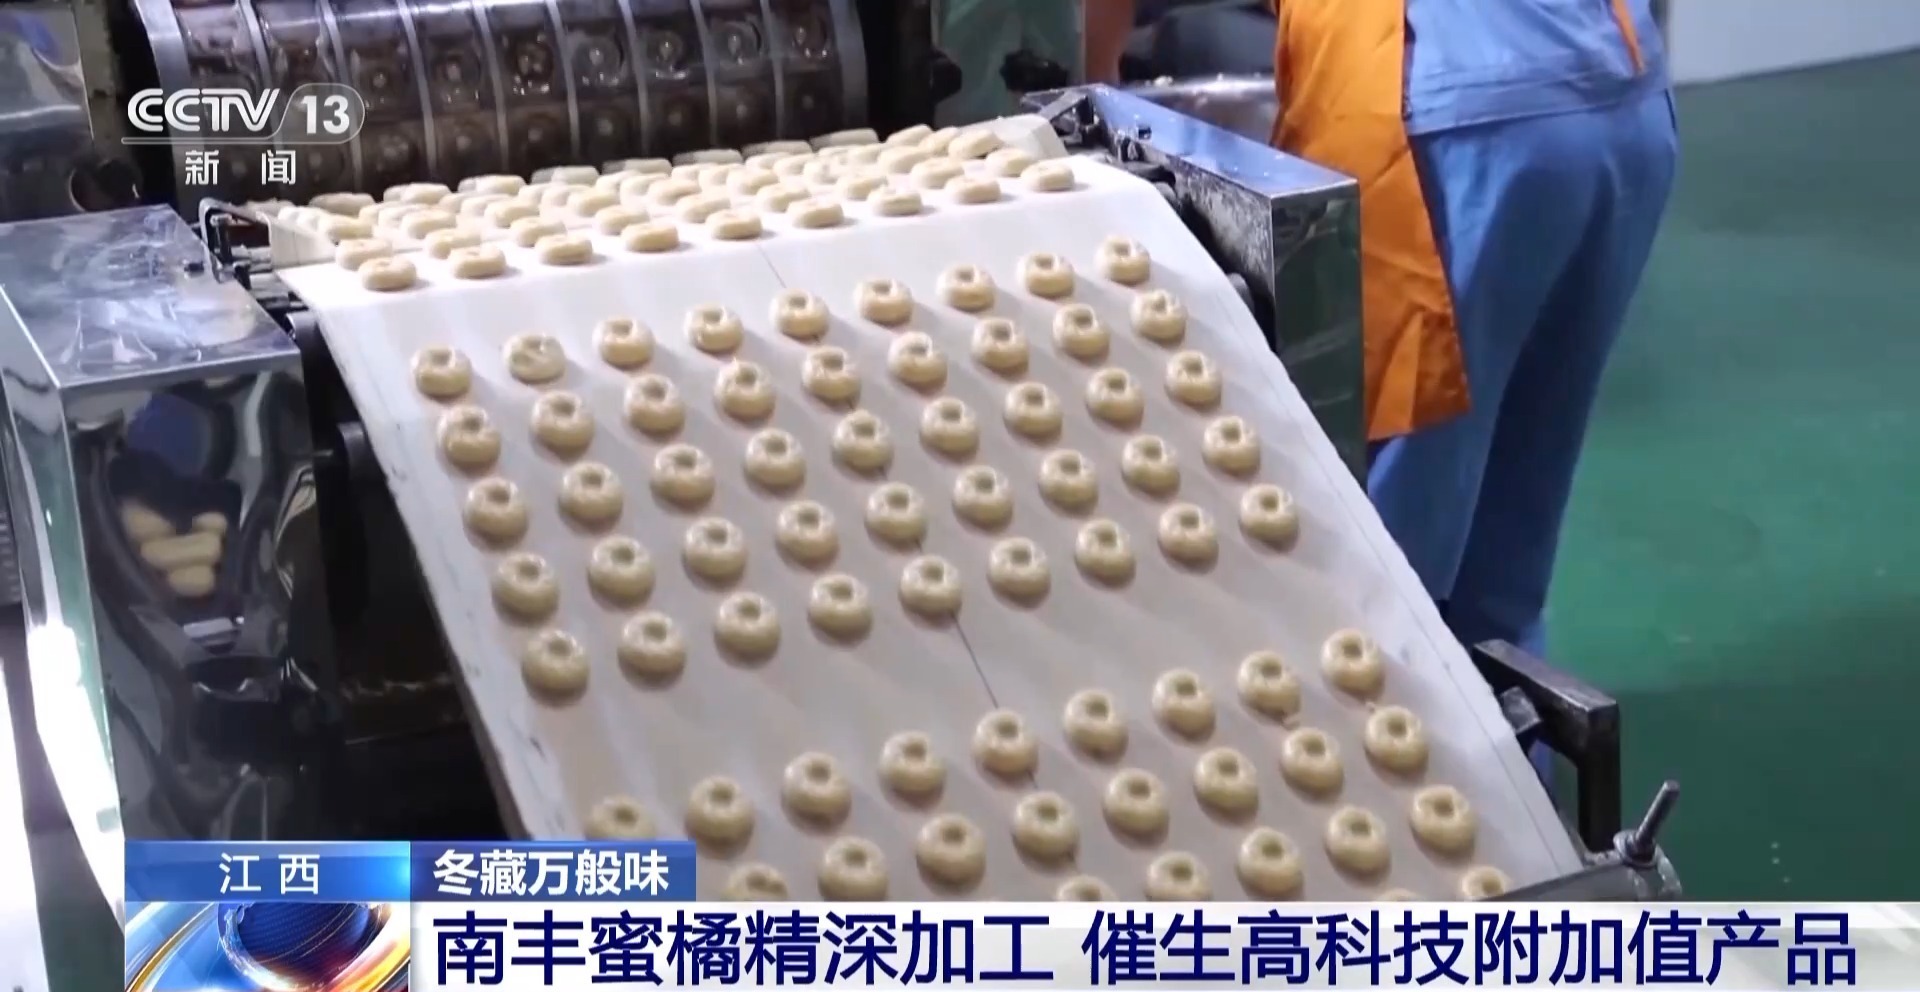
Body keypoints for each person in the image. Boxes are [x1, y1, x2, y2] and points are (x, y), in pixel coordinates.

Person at [1086, 0, 1678, 663]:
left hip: (1446, 123)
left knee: (1385, 524)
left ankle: (1392, 704)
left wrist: (1093, 94)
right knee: (1519, 493)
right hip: (1621, 93)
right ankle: (1504, 713)